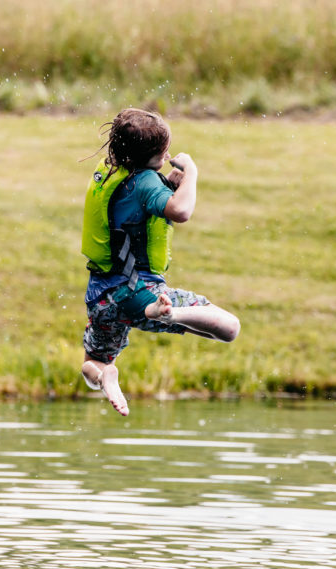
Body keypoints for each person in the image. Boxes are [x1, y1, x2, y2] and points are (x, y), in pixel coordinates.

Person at [80, 108, 240, 416]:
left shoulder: (110, 170)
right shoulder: (145, 183)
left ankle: (105, 377)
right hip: (139, 292)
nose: (167, 154)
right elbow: (181, 211)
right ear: (150, 155)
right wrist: (191, 173)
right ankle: (165, 313)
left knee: (93, 364)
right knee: (229, 328)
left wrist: (166, 183)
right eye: (162, 151)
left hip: (103, 297)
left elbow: (130, 209)